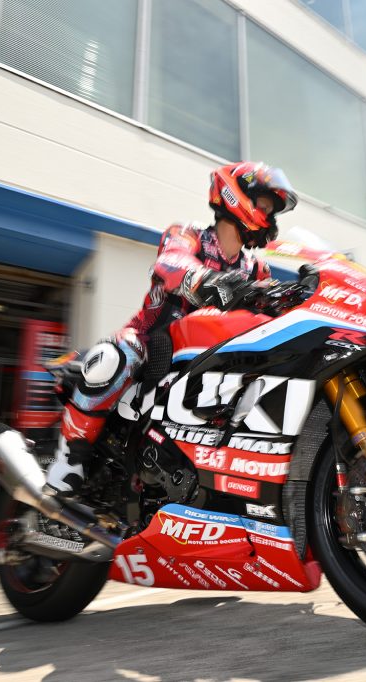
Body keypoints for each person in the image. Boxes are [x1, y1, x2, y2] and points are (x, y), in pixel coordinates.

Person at [44, 161, 297, 497]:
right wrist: (212, 281)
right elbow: (171, 264)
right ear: (237, 196)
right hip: (154, 344)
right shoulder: (188, 235)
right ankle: (68, 460)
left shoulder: (256, 269)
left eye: (271, 211)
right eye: (264, 205)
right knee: (117, 356)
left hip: (212, 359)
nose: (269, 216)